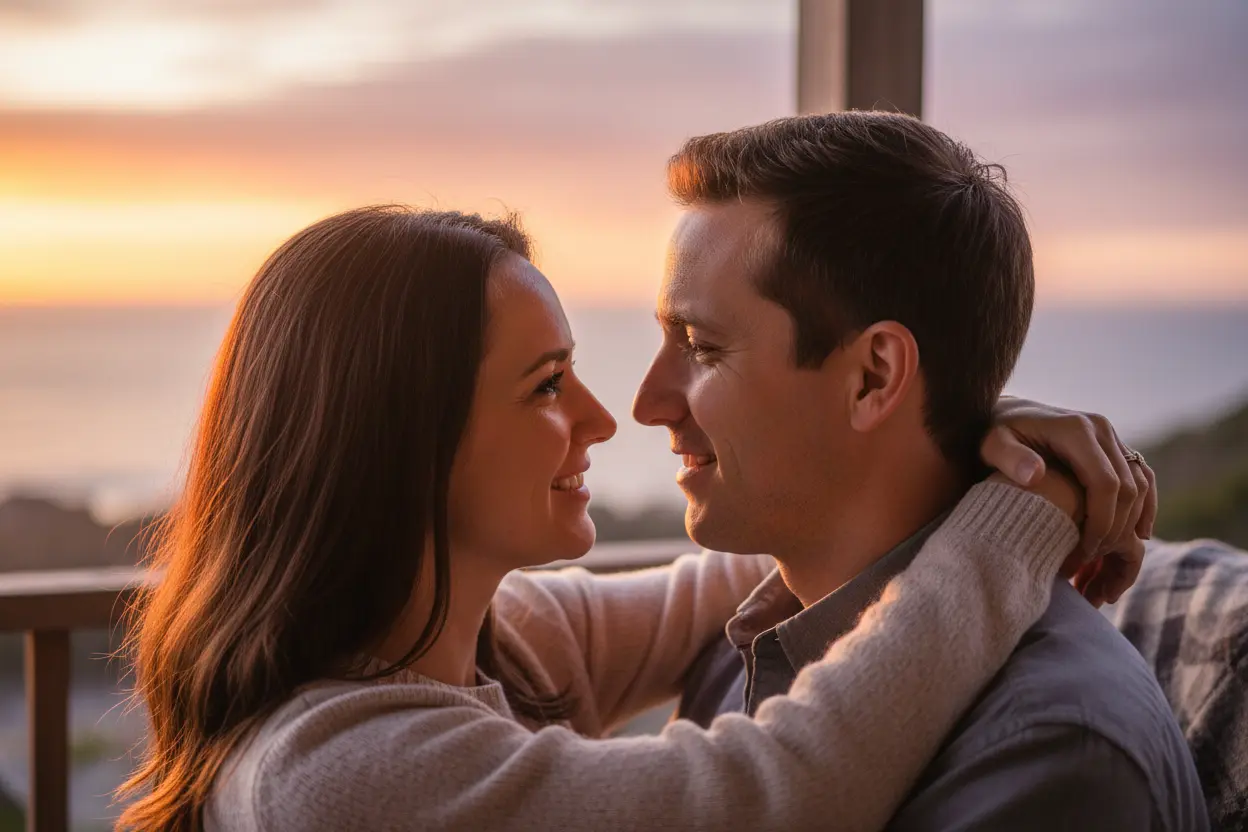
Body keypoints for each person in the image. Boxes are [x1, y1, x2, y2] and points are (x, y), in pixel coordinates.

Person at [119, 205, 1133, 831]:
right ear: (402, 439)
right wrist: (1022, 509)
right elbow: (782, 791)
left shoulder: (494, 644)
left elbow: (769, 563)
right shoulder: (340, 778)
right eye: (547, 384)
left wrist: (945, 428)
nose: (609, 415)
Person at [640, 113, 1207, 830]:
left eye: (699, 345)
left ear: (875, 377)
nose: (646, 404)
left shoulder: (1052, 760)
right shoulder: (744, 649)